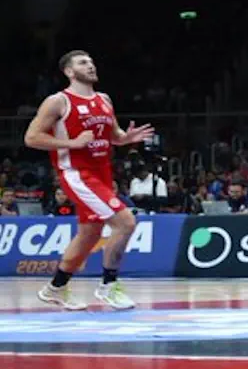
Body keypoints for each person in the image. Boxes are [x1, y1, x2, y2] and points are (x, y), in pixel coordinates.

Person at [24, 50, 155, 310]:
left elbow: (113, 135)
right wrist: (71, 143)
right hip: (76, 173)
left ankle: (56, 288)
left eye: (92, 61)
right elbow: (32, 138)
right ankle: (108, 286)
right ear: (69, 72)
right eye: (83, 62)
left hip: (102, 172)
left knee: (89, 233)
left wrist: (125, 139)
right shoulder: (58, 101)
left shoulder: (104, 99)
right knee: (126, 222)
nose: (91, 65)